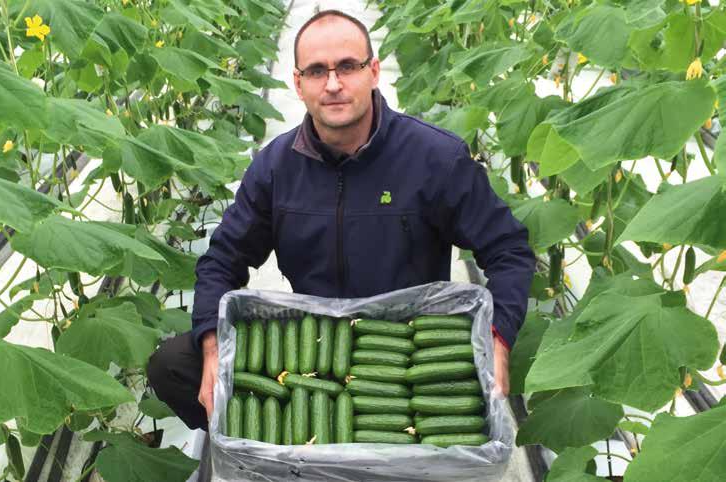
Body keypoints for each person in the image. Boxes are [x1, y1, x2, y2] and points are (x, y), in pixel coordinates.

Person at [147, 9, 536, 432]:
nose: (333, 84)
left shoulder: (434, 159)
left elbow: (508, 249)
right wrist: (210, 348)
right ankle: (282, 454)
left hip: (406, 348)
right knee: (172, 365)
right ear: (298, 84)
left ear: (373, 72)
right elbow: (222, 259)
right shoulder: (277, 167)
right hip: (309, 346)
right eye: (317, 71)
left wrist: (497, 340)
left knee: (469, 401)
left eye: (347, 67)